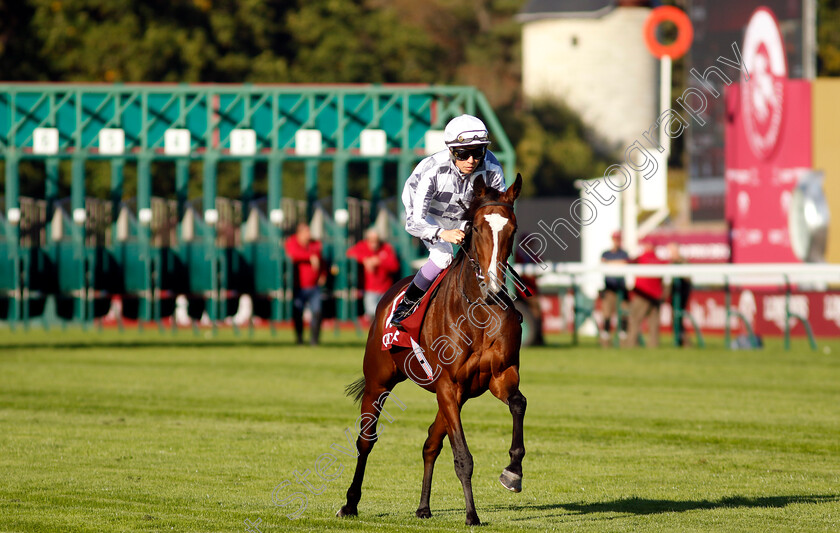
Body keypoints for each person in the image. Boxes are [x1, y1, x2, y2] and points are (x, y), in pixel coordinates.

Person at [390, 114, 506, 330]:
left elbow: (497, 213)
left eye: (478, 152)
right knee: (443, 256)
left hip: (464, 214)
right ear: (452, 150)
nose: (471, 160)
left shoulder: (493, 169)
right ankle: (406, 304)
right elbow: (413, 222)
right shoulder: (432, 170)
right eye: (463, 154)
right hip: (428, 215)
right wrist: (443, 233)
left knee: (485, 252)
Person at [285, 222, 326, 345]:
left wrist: (323, 274)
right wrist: (310, 257)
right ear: (299, 233)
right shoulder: (292, 242)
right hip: (299, 287)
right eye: (306, 232)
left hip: (314, 286)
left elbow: (321, 260)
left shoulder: (315, 244)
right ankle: (299, 339)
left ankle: (314, 340)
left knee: (317, 312)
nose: (309, 234)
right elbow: (292, 254)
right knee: (298, 312)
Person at [346, 227, 400, 320]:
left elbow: (395, 266)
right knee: (372, 316)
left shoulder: (386, 248)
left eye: (376, 240)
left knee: (385, 316)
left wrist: (379, 261)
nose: (374, 243)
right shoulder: (362, 246)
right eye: (371, 241)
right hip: (369, 289)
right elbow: (349, 253)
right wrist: (365, 259)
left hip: (385, 289)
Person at [625, 238, 665, 348]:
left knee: (635, 320)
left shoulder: (642, 257)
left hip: (643, 295)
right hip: (655, 295)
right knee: (653, 324)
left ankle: (631, 344)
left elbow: (627, 262)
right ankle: (653, 346)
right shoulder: (659, 260)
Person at [600, 231, 629, 347]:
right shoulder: (606, 253)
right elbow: (603, 264)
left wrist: (610, 264)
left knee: (624, 313)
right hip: (609, 289)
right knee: (606, 313)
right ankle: (606, 337)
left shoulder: (624, 253)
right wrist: (616, 264)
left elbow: (625, 263)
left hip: (621, 289)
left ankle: (623, 338)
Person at [668, 242, 692, 346]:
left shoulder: (682, 261)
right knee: (675, 318)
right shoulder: (671, 262)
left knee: (678, 317)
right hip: (674, 293)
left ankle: (684, 341)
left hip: (681, 293)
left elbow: (687, 277)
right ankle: (681, 340)